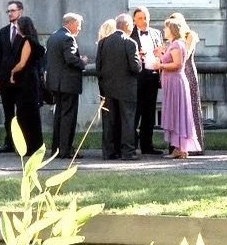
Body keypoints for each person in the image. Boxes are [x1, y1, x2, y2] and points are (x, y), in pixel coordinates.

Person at [96, 13, 140, 160]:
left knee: (109, 121)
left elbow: (98, 66)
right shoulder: (130, 43)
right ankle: (127, 152)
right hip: (127, 88)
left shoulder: (103, 43)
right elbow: (135, 67)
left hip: (108, 87)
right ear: (127, 26)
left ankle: (109, 151)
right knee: (127, 120)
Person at [157, 14, 201, 158]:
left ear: (172, 29)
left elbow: (178, 64)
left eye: (166, 27)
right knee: (175, 112)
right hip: (171, 83)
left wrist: (160, 64)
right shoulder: (172, 44)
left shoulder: (177, 44)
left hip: (176, 83)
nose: (164, 30)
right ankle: (178, 148)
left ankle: (181, 148)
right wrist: (161, 53)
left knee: (178, 112)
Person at [45, 12, 86, 157]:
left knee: (59, 116)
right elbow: (70, 59)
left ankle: (56, 148)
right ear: (71, 23)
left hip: (55, 83)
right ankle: (65, 149)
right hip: (68, 84)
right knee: (68, 117)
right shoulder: (68, 38)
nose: (80, 28)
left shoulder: (53, 36)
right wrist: (82, 62)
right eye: (79, 25)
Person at [8, 12, 44, 154]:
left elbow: (22, 63)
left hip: (27, 80)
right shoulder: (32, 39)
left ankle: (30, 146)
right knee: (29, 112)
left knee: (26, 112)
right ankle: (32, 144)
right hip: (29, 79)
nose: (16, 29)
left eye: (17, 27)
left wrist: (12, 72)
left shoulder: (27, 40)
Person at [130, 6, 163, 155]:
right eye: (140, 18)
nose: (144, 21)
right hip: (137, 77)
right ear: (134, 20)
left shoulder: (157, 33)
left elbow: (162, 52)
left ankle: (147, 146)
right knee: (135, 112)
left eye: (146, 18)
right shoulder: (130, 35)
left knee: (149, 112)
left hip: (153, 76)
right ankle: (131, 145)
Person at [0, 0, 24, 151]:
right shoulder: (4, 31)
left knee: (22, 111)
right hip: (5, 78)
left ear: (20, 11)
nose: (10, 13)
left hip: (21, 78)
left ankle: (22, 142)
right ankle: (9, 141)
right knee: (8, 112)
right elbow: (0, 55)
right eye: (8, 11)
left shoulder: (26, 30)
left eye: (12, 10)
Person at [173, 12, 205, 153]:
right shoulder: (174, 40)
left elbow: (185, 53)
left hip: (188, 71)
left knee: (191, 107)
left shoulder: (190, 35)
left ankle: (194, 145)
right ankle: (178, 145)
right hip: (176, 73)